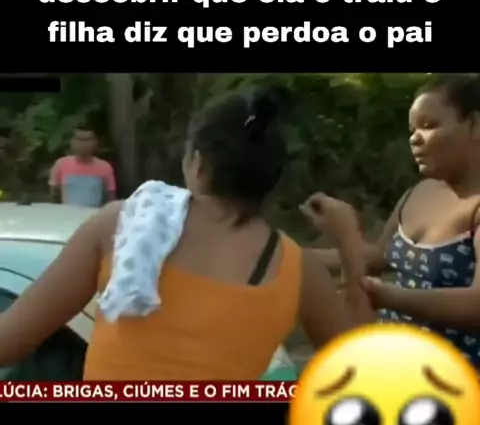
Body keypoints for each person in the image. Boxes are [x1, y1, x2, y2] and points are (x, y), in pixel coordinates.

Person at [0, 87, 374, 381]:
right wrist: (349, 241)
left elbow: (6, 343)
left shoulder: (122, 226)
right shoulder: (297, 269)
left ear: (198, 164)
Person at [315, 74, 480, 368]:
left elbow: (476, 306)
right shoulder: (418, 193)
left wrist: (388, 296)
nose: (414, 138)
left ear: (475, 125)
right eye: (412, 129)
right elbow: (378, 257)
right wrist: (287, 253)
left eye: (429, 125)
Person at [49, 124, 116, 207]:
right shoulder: (61, 164)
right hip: (67, 213)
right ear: (72, 142)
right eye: (79, 140)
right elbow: (54, 195)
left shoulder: (105, 167)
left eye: (87, 140)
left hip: (94, 213)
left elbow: (110, 198)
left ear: (95, 142)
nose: (83, 144)